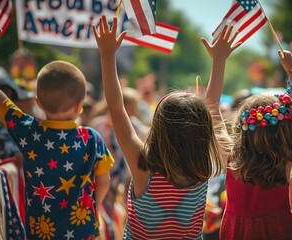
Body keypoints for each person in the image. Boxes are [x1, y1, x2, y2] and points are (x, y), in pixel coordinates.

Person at [0, 7, 114, 239]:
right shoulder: (92, 138)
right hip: (84, 231)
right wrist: (92, 207)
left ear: (37, 101)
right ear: (80, 104)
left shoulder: (28, 131)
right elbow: (104, 180)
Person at [92, 16, 229, 239]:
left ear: (158, 126)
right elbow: (212, 108)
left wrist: (107, 55)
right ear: (202, 134)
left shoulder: (142, 167)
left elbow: (117, 109)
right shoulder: (203, 167)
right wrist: (220, 61)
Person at [204, 26, 292, 239]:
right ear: (281, 126)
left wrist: (219, 61)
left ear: (242, 126)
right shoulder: (287, 155)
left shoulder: (233, 161)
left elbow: (211, 109)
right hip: (279, 230)